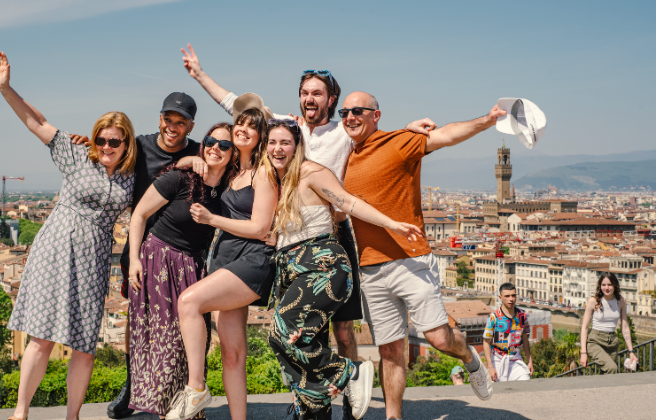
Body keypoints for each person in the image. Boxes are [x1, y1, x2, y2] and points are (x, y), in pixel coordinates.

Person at [180, 44, 433, 420]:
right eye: (304, 92)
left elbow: (356, 176)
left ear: (331, 99)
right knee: (292, 336)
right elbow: (238, 107)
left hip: (327, 243)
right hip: (288, 251)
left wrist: (407, 135)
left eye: (317, 93)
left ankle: (349, 391)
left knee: (335, 332)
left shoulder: (336, 141)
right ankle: (312, 404)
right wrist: (200, 76)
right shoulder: (284, 137)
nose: (309, 98)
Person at [0, 51, 137, 420]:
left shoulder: (134, 175)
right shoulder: (75, 154)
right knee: (41, 336)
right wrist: (6, 88)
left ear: (126, 143)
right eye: (101, 140)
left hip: (95, 258)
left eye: (114, 142)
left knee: (85, 345)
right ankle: (20, 412)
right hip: (56, 247)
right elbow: (37, 121)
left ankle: (72, 417)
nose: (106, 147)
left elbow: (169, 159)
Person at [340, 91, 505, 419]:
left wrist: (486, 121)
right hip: (370, 268)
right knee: (390, 351)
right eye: (344, 112)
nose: (349, 116)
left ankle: (470, 358)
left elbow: (445, 135)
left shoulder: (401, 141)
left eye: (358, 110)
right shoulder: (342, 154)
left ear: (376, 115)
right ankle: (393, 416)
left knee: (439, 338)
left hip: (411, 260)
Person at [263, 120, 423, 420]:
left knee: (281, 333)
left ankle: (349, 371)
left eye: (285, 142)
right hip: (296, 271)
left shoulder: (311, 173)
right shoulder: (277, 180)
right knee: (303, 343)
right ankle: (312, 412)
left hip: (321, 266)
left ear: (297, 147)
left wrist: (391, 224)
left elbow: (348, 201)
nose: (277, 148)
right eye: (272, 142)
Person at [70, 92, 201, 419]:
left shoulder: (200, 152)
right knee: (138, 325)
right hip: (141, 251)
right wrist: (90, 144)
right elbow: (109, 150)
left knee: (190, 326)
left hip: (186, 252)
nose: (172, 127)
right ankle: (133, 388)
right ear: (159, 119)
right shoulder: (139, 146)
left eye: (180, 122)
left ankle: (191, 394)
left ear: (190, 126)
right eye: (167, 119)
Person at [165, 97, 279, 420]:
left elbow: (259, 228)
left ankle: (196, 388)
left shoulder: (263, 173)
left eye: (252, 126)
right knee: (232, 354)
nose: (243, 129)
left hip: (252, 260)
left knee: (188, 302)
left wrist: (211, 220)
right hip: (227, 260)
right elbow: (194, 165)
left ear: (261, 136)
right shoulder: (233, 173)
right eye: (240, 123)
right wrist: (191, 161)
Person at [126, 123, 236, 419]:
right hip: (158, 260)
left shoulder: (229, 188)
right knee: (166, 340)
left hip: (195, 265)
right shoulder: (180, 178)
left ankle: (190, 403)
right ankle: (169, 410)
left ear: (232, 153)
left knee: (191, 340)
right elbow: (139, 215)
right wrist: (134, 260)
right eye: (211, 141)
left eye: (224, 145)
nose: (215, 147)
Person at [580, 272, 638, 374]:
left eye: (609, 284)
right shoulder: (593, 301)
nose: (606, 287)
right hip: (595, 342)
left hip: (612, 343)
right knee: (612, 368)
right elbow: (584, 328)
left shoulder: (621, 301)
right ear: (600, 286)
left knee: (606, 376)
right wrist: (583, 353)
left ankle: (598, 390)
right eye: (603, 285)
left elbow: (625, 327)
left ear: (615, 285)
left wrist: (631, 351)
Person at [482, 283, 533, 381]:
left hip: (515, 358)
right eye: (507, 296)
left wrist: (530, 361)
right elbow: (486, 342)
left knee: (525, 382)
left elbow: (525, 339)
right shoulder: (493, 317)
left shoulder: (523, 316)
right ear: (500, 297)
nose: (511, 299)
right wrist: (490, 366)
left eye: (513, 295)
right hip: (497, 359)